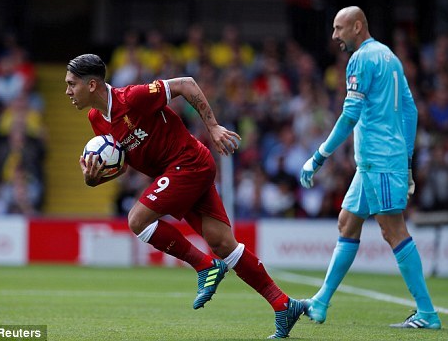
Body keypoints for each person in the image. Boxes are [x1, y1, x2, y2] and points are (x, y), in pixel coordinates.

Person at [66, 53, 304, 339]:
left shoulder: (133, 98)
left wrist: (213, 127)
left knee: (137, 220)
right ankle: (283, 304)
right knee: (223, 243)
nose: (67, 91)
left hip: (189, 162)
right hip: (179, 172)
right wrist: (95, 179)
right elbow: (123, 162)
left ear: (92, 85)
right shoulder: (97, 119)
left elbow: (186, 84)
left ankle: (204, 266)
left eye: (71, 84)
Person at [299, 6, 441, 330]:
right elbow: (411, 111)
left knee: (394, 232)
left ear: (357, 26)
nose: (335, 36)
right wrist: (405, 162)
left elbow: (350, 115)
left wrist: (319, 155)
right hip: (378, 162)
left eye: (339, 28)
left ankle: (427, 313)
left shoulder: (361, 59)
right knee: (347, 223)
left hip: (378, 160)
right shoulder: (390, 57)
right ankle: (321, 301)